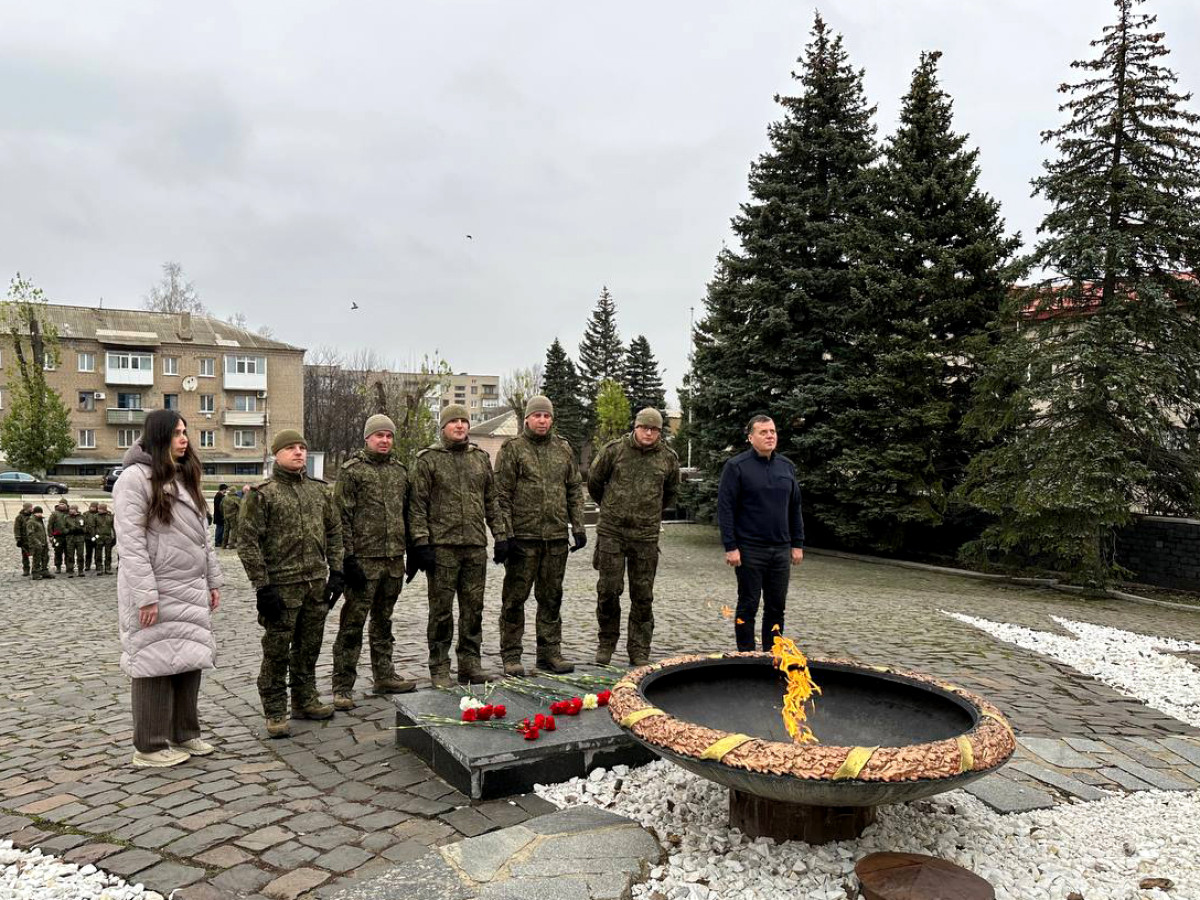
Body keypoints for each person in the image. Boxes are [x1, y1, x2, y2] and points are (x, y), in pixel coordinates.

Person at [113, 409, 222, 768]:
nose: (184, 438)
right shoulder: (134, 479)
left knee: (189, 659)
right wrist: (145, 595)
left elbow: (204, 538)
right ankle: (149, 746)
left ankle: (185, 732)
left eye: (185, 431)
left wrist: (213, 581)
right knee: (153, 663)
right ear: (159, 437)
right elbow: (131, 544)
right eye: (176, 432)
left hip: (189, 587)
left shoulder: (184, 476)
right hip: (157, 588)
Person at [238, 430, 344, 738]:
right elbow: (248, 543)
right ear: (277, 454)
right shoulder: (263, 494)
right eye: (290, 448)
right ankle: (274, 709)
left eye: (302, 448)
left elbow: (334, 532)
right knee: (276, 651)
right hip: (281, 586)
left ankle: (304, 699)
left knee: (309, 646)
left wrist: (336, 571)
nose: (298, 452)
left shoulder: (319, 491)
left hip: (315, 584)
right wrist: (262, 586)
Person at [408, 404, 507, 688]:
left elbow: (491, 500)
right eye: (454, 421)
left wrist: (500, 536)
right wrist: (421, 543)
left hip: (474, 546)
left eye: (464, 421)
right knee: (441, 611)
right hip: (442, 548)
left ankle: (470, 663)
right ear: (443, 427)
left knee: (473, 609)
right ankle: (439, 666)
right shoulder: (428, 460)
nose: (460, 425)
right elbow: (417, 505)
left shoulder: (480, 458)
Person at [494, 395, 586, 676]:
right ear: (527, 419)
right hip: (524, 538)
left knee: (551, 598)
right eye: (537, 416)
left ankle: (549, 653)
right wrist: (506, 535)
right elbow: (502, 495)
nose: (542, 421)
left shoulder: (563, 449)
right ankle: (511, 655)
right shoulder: (513, 449)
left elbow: (574, 488)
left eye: (547, 416)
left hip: (555, 538)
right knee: (515, 599)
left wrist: (578, 526)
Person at [331, 414, 416, 709]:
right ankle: (342, 685)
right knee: (352, 624)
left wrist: (412, 551)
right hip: (363, 562)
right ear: (367, 438)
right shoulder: (352, 471)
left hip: (393, 560)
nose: (385, 440)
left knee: (383, 622)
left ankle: (384, 675)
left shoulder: (400, 472)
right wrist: (348, 558)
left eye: (389, 436)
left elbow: (408, 513)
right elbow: (340, 517)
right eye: (379, 435)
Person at [587, 407, 680, 666]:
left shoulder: (668, 458)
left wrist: (649, 513)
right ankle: (606, 642)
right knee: (608, 591)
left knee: (643, 595)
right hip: (612, 532)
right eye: (644, 428)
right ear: (635, 427)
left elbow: (671, 492)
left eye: (654, 429)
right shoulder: (614, 450)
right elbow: (594, 481)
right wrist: (611, 507)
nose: (649, 433)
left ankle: (639, 647)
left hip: (645, 536)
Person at [717, 415, 805, 651]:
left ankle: (772, 654)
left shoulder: (786, 466)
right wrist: (730, 546)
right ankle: (746, 655)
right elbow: (725, 508)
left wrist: (797, 544)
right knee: (748, 605)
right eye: (763, 432)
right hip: (749, 549)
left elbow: (795, 507)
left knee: (777, 607)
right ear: (750, 437)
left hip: (780, 550)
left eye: (772, 431)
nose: (769, 436)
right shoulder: (736, 467)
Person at [25, 506, 51, 580]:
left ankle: (44, 571)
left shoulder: (40, 520)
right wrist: (37, 542)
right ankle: (35, 573)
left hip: (43, 542)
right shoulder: (31, 521)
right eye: (39, 513)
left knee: (45, 557)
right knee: (37, 558)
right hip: (36, 544)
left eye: (41, 513)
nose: (40, 514)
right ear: (35, 513)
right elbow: (30, 534)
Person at [64, 504, 87, 577]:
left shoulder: (82, 517)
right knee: (70, 555)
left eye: (72, 509)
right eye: (70, 509)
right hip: (70, 539)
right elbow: (63, 528)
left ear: (76, 510)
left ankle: (80, 570)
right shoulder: (66, 518)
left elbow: (86, 527)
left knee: (80, 555)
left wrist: (81, 530)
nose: (70, 510)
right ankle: (70, 570)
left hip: (80, 538)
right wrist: (69, 530)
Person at [94, 502, 116, 575]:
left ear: (104, 509)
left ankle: (108, 568)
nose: (99, 510)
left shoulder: (110, 517)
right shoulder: (95, 516)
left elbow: (113, 527)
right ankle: (99, 568)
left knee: (108, 553)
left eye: (100, 509)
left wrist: (114, 536)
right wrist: (95, 536)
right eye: (98, 509)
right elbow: (93, 527)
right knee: (98, 554)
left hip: (108, 537)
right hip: (99, 536)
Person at [48, 501, 69, 573]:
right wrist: (50, 535)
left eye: (63, 504)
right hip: (57, 537)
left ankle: (68, 566)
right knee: (58, 552)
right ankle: (58, 566)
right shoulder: (54, 514)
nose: (62, 505)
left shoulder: (69, 513)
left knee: (68, 552)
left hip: (68, 537)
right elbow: (50, 525)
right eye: (61, 504)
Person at [14, 502, 33, 577]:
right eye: (30, 507)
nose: (32, 508)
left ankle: (36, 568)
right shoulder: (19, 517)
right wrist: (18, 539)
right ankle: (26, 569)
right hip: (24, 539)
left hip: (33, 539)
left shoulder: (33, 516)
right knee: (25, 555)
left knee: (36, 555)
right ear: (26, 508)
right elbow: (17, 528)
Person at [83, 501, 100, 572]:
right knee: (88, 552)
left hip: (97, 536)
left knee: (98, 552)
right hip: (88, 536)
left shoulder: (99, 515)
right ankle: (87, 565)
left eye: (94, 507)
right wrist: (86, 529)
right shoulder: (85, 514)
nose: (92, 508)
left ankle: (98, 565)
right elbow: (83, 524)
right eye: (91, 507)